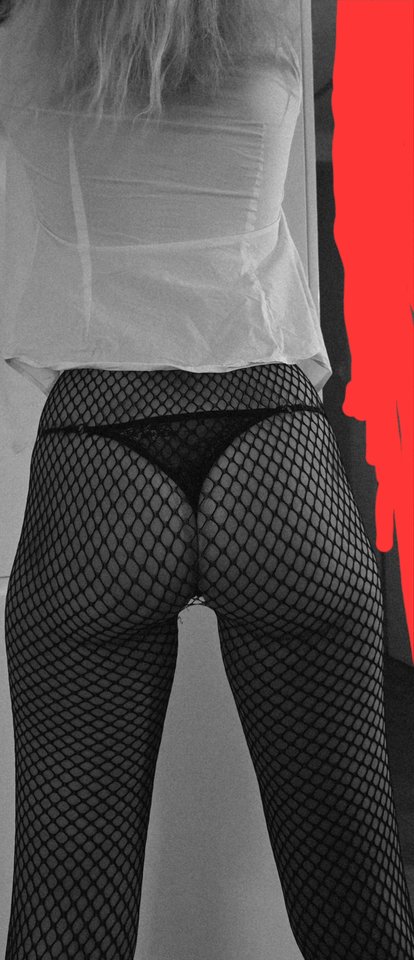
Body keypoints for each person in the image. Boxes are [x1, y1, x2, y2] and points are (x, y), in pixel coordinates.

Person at [1, 1, 413, 958]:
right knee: (357, 903)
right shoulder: (284, 14)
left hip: (100, 451)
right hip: (272, 445)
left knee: (67, 910)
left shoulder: (25, 24)